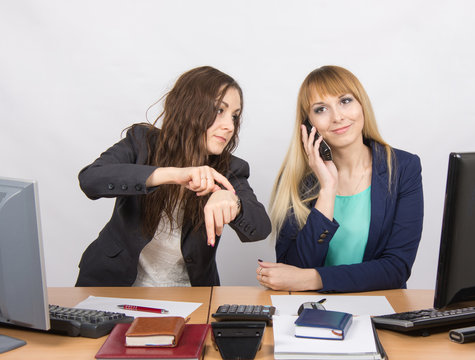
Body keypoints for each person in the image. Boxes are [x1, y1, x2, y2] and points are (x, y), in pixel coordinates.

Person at [76, 66, 271, 287]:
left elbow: (261, 228)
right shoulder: (141, 142)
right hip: (112, 284)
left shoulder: (230, 169)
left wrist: (232, 201)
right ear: (189, 108)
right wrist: (173, 174)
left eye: (235, 116)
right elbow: (91, 179)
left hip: (187, 294)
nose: (229, 126)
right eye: (219, 110)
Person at [256, 65, 423, 293]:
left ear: (361, 104)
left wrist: (315, 279)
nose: (337, 117)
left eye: (345, 101)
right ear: (308, 125)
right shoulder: (296, 179)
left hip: (380, 309)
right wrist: (327, 188)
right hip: (313, 312)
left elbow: (396, 268)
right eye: (321, 109)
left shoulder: (403, 168)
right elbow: (292, 269)